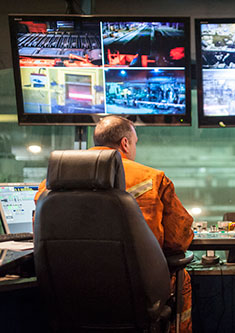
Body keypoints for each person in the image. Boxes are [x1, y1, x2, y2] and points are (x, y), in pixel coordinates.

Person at [34, 115, 194, 332]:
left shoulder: (51, 184)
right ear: (125, 143)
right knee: (181, 279)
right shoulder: (153, 179)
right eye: (135, 142)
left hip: (69, 294)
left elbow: (39, 234)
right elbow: (177, 241)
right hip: (134, 293)